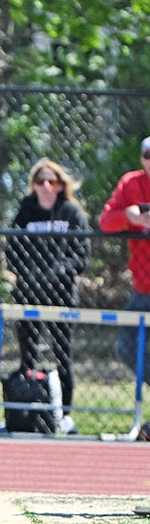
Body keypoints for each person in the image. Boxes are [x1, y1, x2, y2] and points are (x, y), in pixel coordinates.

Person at [6, 158, 90, 434]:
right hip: (28, 292)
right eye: (40, 181)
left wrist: (57, 273)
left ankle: (64, 415)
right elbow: (12, 250)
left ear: (60, 185)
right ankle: (27, 414)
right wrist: (29, 275)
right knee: (27, 355)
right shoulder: (25, 212)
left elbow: (81, 254)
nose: (45, 186)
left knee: (62, 354)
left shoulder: (71, 213)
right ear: (33, 185)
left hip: (61, 294)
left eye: (51, 181)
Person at [99, 138, 150, 388]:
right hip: (144, 289)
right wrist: (129, 216)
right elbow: (106, 222)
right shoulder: (131, 183)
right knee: (126, 348)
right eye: (148, 155)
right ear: (142, 159)